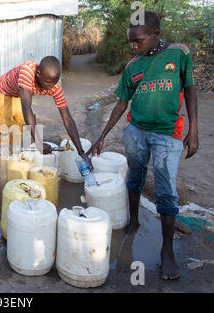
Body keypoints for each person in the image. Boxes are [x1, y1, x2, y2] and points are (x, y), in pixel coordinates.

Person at [85, 11, 199, 280]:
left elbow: (191, 89)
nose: (134, 47)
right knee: (134, 178)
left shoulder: (178, 54)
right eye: (130, 43)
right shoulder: (133, 66)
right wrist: (102, 136)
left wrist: (194, 130)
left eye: (138, 41)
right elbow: (122, 102)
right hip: (136, 131)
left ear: (156, 35)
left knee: (167, 189)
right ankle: (134, 220)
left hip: (168, 133)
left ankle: (167, 252)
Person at [0, 56, 86, 156]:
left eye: (55, 82)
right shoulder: (27, 72)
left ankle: (12, 155)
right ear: (38, 74)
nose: (51, 86)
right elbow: (27, 108)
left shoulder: (55, 87)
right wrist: (38, 142)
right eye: (47, 82)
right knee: (4, 127)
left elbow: (67, 118)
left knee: (19, 127)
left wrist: (81, 151)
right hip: (5, 91)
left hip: (19, 94)